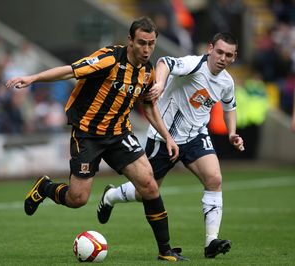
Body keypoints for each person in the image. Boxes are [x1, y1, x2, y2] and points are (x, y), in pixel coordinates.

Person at [6, 17, 188, 262]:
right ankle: (45, 187)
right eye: (142, 43)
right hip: (88, 134)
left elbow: (149, 106)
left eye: (151, 44)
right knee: (77, 199)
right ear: (130, 41)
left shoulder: (147, 71)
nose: (146, 49)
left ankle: (165, 250)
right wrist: (33, 78)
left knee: (149, 185)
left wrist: (168, 137)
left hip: (119, 134)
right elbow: (70, 70)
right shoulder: (109, 58)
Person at [97, 32, 245, 259]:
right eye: (219, 52)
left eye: (228, 55)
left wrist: (232, 133)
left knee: (214, 179)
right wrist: (159, 82)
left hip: (195, 137)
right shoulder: (194, 65)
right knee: (144, 191)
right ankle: (111, 196)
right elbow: (164, 62)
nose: (222, 58)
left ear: (234, 57)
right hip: (164, 138)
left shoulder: (226, 82)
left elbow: (229, 106)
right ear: (210, 48)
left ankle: (211, 241)